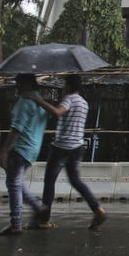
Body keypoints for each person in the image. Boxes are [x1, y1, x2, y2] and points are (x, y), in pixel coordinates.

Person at [27, 74, 107, 231]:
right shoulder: (84, 103)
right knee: (75, 180)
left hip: (62, 147)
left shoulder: (69, 99)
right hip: (77, 148)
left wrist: (38, 100)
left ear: (68, 87)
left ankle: (44, 219)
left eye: (64, 85)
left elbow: (58, 112)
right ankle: (97, 209)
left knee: (49, 181)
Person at [0, 74, 49, 236]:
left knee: (13, 185)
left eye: (18, 83)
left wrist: (4, 151)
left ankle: (16, 223)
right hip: (33, 149)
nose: (16, 86)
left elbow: (16, 130)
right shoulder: (41, 103)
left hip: (20, 149)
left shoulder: (25, 102)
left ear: (26, 84)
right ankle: (38, 206)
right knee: (16, 182)